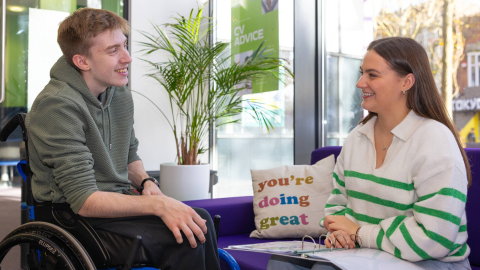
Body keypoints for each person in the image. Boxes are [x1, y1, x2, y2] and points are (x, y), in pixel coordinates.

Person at [25, 8, 220, 270]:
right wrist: (157, 204)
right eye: (113, 50)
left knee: (199, 220)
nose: (127, 58)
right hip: (70, 217)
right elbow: (84, 200)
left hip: (114, 205)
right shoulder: (57, 106)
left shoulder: (119, 94)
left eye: (125, 46)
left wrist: (147, 181)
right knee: (183, 239)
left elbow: (129, 156)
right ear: (82, 61)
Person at [268, 37, 471, 270]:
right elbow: (337, 205)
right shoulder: (357, 136)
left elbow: (435, 239)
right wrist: (339, 232)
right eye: (362, 73)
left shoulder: (434, 140)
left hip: (431, 261)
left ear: (406, 82)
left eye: (372, 75)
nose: (360, 83)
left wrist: (359, 233)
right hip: (366, 252)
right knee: (281, 264)